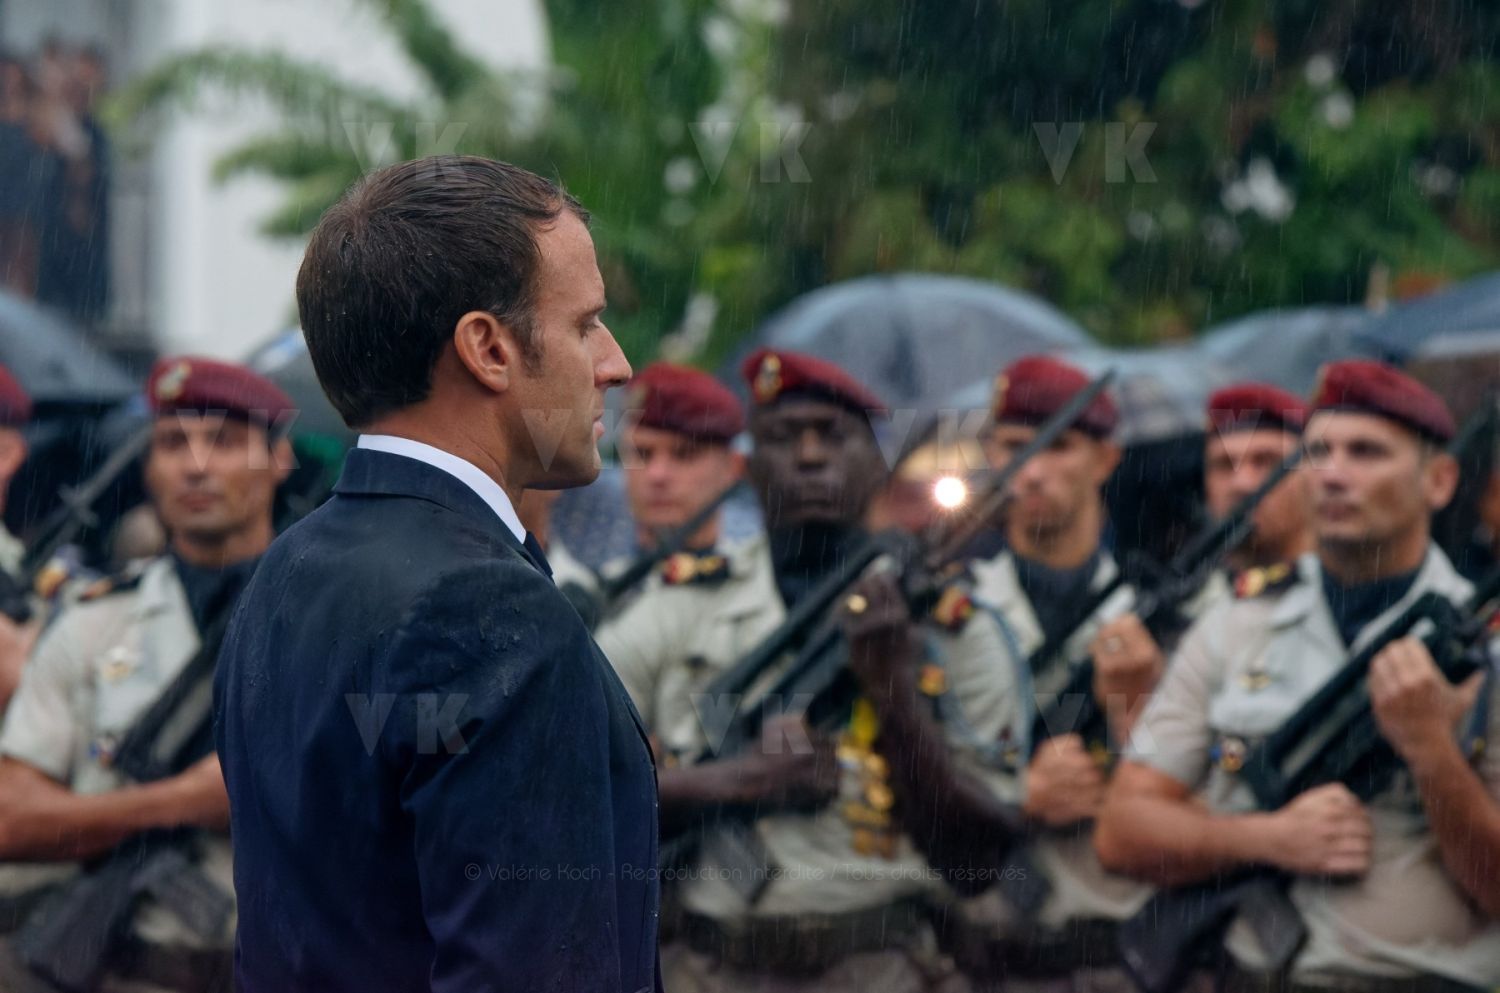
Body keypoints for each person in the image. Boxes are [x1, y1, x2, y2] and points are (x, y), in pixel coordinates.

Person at [214, 155, 659, 993]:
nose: (616, 363)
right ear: (489, 348)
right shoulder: (488, 606)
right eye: (586, 324)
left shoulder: (289, 566)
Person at [596, 346, 1024, 993]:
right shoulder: (674, 606)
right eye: (784, 436)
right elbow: (580, 793)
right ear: (748, 466)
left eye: (833, 435)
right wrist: (739, 781)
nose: (810, 456)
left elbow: (979, 860)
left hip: (884, 968)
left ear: (879, 465)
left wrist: (892, 691)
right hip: (706, 969)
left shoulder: (951, 624)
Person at [1097, 360, 1500, 993]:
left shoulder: (1485, 643)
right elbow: (1123, 831)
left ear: (1440, 480)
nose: (1333, 474)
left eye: (1366, 452)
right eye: (1317, 453)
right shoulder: (1233, 626)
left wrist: (1431, 752)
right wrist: (1267, 838)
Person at [0, 356, 294, 993]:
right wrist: (182, 801)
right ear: (148, 468)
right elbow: (12, 818)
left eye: (223, 442)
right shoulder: (93, 620)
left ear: (279, 459)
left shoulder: (322, 619)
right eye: (172, 444)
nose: (195, 466)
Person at [936, 354, 1148, 992]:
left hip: (1119, 944)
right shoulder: (945, 609)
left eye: (1058, 447)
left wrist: (1134, 716)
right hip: (970, 943)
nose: (1031, 469)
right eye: (1014, 446)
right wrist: (1015, 800)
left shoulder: (1155, 613)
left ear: (1105, 460)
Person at [1087, 382, 1315, 750]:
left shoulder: (1339, 598)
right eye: (1224, 465)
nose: (1242, 483)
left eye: (1266, 462)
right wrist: (1130, 706)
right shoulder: (1176, 609)